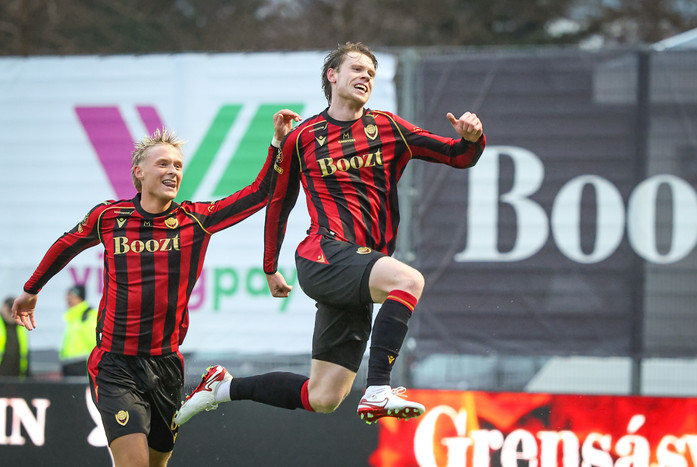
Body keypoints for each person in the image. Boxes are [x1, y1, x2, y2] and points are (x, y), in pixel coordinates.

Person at [175, 41, 485, 426]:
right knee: (408, 281)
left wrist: (472, 138)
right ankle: (378, 389)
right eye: (357, 69)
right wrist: (270, 267)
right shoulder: (303, 137)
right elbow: (278, 203)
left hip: (359, 268)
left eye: (371, 73)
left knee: (323, 397)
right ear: (332, 75)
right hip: (323, 254)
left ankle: (223, 387)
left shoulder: (388, 127)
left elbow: (458, 155)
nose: (365, 76)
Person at [11, 110, 300, 467]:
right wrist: (32, 289)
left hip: (166, 365)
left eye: (178, 165)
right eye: (163, 163)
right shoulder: (109, 217)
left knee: (157, 462)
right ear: (139, 172)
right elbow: (66, 244)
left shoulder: (195, 219)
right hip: (116, 364)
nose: (173, 171)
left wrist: (277, 143)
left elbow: (261, 192)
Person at [60, 284, 98, 377]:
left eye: (73, 297)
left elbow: (95, 343)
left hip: (82, 365)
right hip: (69, 364)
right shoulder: (73, 318)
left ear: (80, 298)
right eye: (68, 297)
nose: (69, 300)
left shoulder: (89, 316)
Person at [1, 296, 29, 378]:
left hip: (17, 377)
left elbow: (25, 354)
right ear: (3, 308)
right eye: (9, 310)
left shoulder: (21, 327)